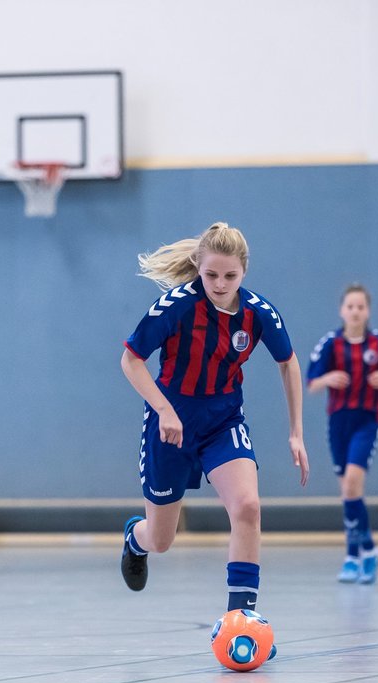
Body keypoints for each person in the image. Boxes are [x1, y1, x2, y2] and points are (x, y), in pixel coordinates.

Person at [119, 222, 309, 622]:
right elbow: (131, 361)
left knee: (248, 507)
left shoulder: (258, 313)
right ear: (198, 267)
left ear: (244, 273)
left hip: (223, 421)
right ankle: (135, 541)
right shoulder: (176, 306)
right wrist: (164, 410)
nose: (220, 284)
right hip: (171, 426)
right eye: (211, 275)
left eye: (230, 276)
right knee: (162, 539)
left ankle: (240, 619)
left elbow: (288, 363)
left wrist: (296, 432)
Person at [306, 284, 378, 583]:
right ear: (342, 310)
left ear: (368, 311)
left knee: (352, 483)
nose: (355, 311)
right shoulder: (330, 343)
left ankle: (355, 554)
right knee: (348, 491)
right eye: (350, 306)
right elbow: (311, 382)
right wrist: (328, 379)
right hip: (338, 421)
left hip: (369, 419)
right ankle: (364, 552)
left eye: (361, 306)